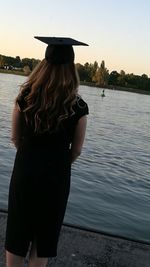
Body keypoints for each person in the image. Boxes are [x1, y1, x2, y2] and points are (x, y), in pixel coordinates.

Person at [5, 36, 89, 267]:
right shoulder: (79, 107)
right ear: (71, 70)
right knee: (44, 238)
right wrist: (57, 162)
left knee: (17, 233)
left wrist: (30, 156)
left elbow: (15, 138)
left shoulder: (24, 98)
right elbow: (77, 150)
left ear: (43, 65)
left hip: (25, 172)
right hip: (56, 178)